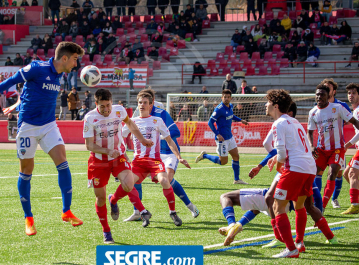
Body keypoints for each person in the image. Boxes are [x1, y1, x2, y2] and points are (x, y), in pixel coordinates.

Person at [0, 42, 85, 236]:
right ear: (65, 58)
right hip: (27, 126)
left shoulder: (60, 74)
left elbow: (33, 93)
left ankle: (66, 211)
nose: (76, 64)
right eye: (75, 59)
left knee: (63, 162)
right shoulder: (37, 67)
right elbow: (11, 81)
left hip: (49, 124)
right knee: (27, 170)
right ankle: (28, 218)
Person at [83, 89, 154, 243]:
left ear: (112, 102)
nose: (106, 109)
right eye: (102, 106)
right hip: (98, 161)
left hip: (118, 156)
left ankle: (113, 200)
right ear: (96, 104)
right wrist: (107, 151)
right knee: (100, 198)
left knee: (129, 184)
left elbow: (130, 123)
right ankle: (106, 231)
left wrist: (142, 140)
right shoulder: (89, 118)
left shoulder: (119, 111)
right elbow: (89, 145)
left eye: (108, 105)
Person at [127, 89, 199, 221]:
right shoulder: (138, 116)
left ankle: (190, 206)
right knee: (134, 178)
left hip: (168, 153)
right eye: (140, 102)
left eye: (146, 101)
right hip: (151, 154)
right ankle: (137, 211)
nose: (143, 105)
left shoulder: (161, 114)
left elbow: (175, 132)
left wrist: (157, 136)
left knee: (168, 180)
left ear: (151, 102)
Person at [261, 89, 316, 258]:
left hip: (296, 168)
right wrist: (278, 158)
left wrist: (278, 165)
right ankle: (299, 242)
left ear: (276, 106)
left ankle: (291, 249)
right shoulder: (294, 121)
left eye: (268, 102)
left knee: (278, 206)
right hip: (309, 168)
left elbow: (283, 155)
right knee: (299, 206)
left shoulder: (278, 124)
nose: (266, 105)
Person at [307, 84, 359, 213]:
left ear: (328, 95)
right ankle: (312, 201)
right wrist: (312, 146)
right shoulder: (312, 112)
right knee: (312, 174)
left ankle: (322, 207)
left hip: (337, 149)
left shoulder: (337, 108)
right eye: (317, 94)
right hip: (321, 149)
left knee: (333, 173)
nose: (319, 97)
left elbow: (354, 121)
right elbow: (310, 131)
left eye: (322, 94)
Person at [195, 89, 248, 184]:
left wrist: (241, 120)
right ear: (221, 97)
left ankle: (237, 179)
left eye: (228, 97)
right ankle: (205, 156)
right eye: (225, 97)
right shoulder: (219, 109)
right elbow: (210, 122)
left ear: (231, 98)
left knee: (236, 156)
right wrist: (217, 134)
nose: (226, 99)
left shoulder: (230, 106)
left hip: (230, 137)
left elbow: (231, 116)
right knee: (223, 161)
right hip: (222, 139)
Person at [342, 83, 359, 214]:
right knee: (346, 173)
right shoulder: (355, 110)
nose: (351, 95)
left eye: (353, 93)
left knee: (352, 173)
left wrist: (348, 144)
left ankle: (354, 205)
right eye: (349, 93)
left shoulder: (358, 111)